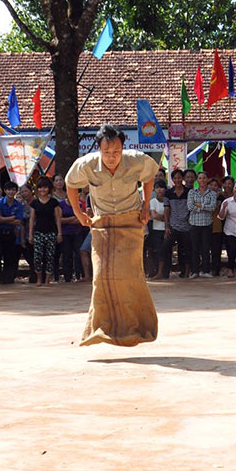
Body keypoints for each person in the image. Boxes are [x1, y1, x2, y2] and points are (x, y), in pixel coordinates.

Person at [66, 124, 159, 347]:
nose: (111, 157)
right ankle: (100, 328)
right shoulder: (86, 164)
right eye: (106, 152)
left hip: (130, 221)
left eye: (116, 152)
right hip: (103, 224)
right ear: (99, 150)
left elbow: (150, 175)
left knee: (130, 276)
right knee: (100, 277)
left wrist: (146, 205)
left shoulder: (136, 159)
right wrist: (78, 213)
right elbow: (70, 184)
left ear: (122, 149)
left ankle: (137, 327)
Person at [29, 176, 62, 287]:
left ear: (49, 189)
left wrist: (59, 233)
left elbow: (57, 218)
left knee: (50, 256)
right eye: (40, 188)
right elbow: (32, 219)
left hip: (51, 232)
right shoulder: (34, 203)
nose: (42, 190)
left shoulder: (54, 202)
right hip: (38, 233)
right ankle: (39, 278)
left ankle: (47, 279)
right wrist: (30, 234)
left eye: (45, 188)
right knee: (37, 257)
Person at [163, 169, 191, 278]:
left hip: (186, 226)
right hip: (173, 226)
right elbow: (166, 210)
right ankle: (164, 272)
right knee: (166, 248)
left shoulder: (189, 192)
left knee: (185, 250)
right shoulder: (168, 193)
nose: (177, 180)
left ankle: (186, 272)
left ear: (182, 179)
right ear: (172, 179)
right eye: (175, 178)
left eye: (179, 177)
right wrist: (167, 226)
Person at [187, 171, 216, 278]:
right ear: (197, 180)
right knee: (194, 248)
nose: (202, 180)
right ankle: (195, 271)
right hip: (194, 224)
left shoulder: (212, 193)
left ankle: (206, 271)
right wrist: (204, 207)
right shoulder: (192, 192)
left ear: (207, 180)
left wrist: (199, 205)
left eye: (204, 178)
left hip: (207, 224)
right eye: (200, 178)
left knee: (205, 248)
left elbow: (212, 208)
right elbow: (190, 207)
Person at [0, 181, 24, 285]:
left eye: (13, 190)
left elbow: (19, 221)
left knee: (10, 258)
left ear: (16, 191)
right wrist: (11, 219)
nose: (11, 192)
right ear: (5, 190)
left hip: (11, 234)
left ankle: (8, 280)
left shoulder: (18, 205)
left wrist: (4, 219)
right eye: (8, 190)